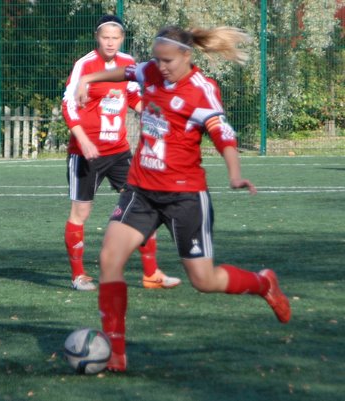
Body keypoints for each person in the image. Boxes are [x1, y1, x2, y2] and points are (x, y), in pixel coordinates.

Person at [75, 26, 291, 371]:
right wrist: (89, 78)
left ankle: (263, 282)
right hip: (141, 191)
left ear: (187, 56)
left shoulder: (201, 90)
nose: (160, 67)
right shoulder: (150, 71)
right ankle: (116, 351)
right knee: (109, 259)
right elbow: (126, 72)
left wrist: (234, 174)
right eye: (156, 60)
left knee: (204, 281)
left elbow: (223, 134)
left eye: (168, 61)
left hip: (184, 196)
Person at [62, 15, 181, 291]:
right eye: (106, 37)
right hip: (86, 153)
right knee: (81, 211)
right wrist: (83, 140)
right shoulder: (84, 65)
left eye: (115, 38)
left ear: (122, 39)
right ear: (97, 37)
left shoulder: (128, 62)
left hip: (119, 152)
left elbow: (134, 96)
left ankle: (151, 273)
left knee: (144, 204)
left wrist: (154, 118)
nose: (110, 42)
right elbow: (68, 105)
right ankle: (78, 276)